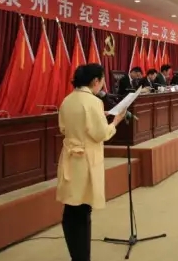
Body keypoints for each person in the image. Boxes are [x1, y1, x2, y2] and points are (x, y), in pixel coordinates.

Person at [57, 64, 126, 261]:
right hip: (85, 161)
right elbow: (100, 134)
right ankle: (82, 257)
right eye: (102, 81)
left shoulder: (67, 100)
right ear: (95, 81)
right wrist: (115, 122)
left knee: (72, 206)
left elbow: (64, 128)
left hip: (70, 158)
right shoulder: (93, 102)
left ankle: (77, 255)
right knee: (82, 208)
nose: (103, 85)